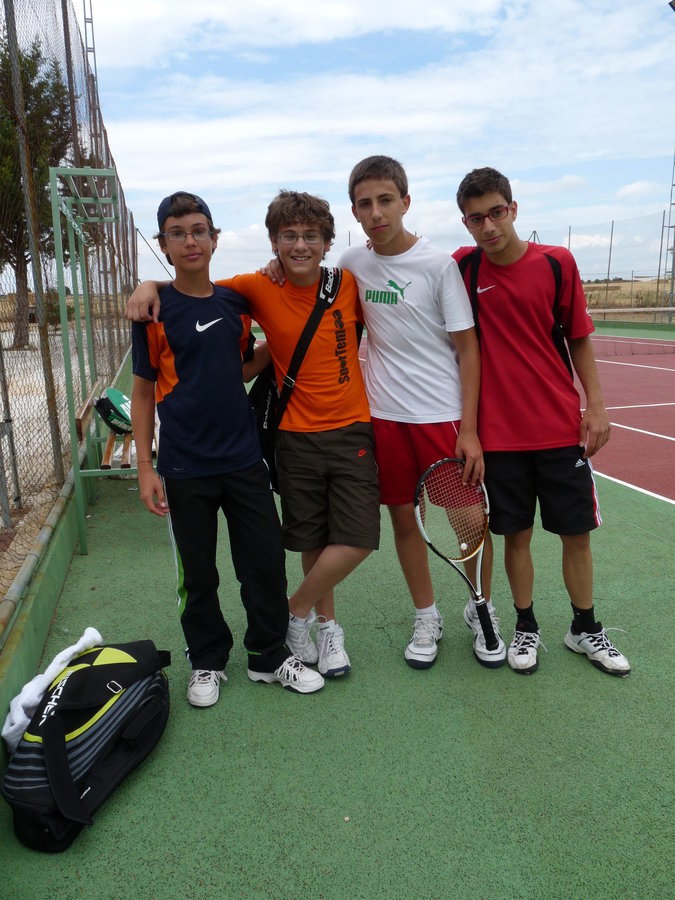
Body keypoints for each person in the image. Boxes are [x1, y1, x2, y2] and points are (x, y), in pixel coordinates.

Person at [128, 190, 380, 680]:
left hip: (260, 455)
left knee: (281, 559)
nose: (190, 241)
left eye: (199, 231)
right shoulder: (179, 306)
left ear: (215, 237)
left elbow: (241, 363)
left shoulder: (260, 297)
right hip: (199, 460)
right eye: (177, 234)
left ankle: (278, 642)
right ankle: (209, 661)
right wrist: (146, 283)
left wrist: (277, 351)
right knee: (203, 571)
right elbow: (146, 384)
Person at [453, 166, 630, 676]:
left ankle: (585, 628)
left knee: (577, 536)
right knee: (517, 537)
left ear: (513, 209)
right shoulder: (462, 268)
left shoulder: (557, 262)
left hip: (559, 432)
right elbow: (402, 259)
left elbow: (578, 337)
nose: (488, 226)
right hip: (500, 439)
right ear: (465, 223)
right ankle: (526, 626)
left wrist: (596, 406)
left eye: (496, 212)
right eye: (475, 218)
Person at [339, 155, 506, 670]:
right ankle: (426, 615)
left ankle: (481, 607)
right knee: (405, 521)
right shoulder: (351, 263)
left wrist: (469, 429)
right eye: (365, 204)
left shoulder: (438, 265)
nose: (376, 212)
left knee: (469, 523)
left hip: (442, 418)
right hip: (385, 419)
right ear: (355, 211)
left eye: (385, 200)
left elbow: (468, 350)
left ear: (405, 202)